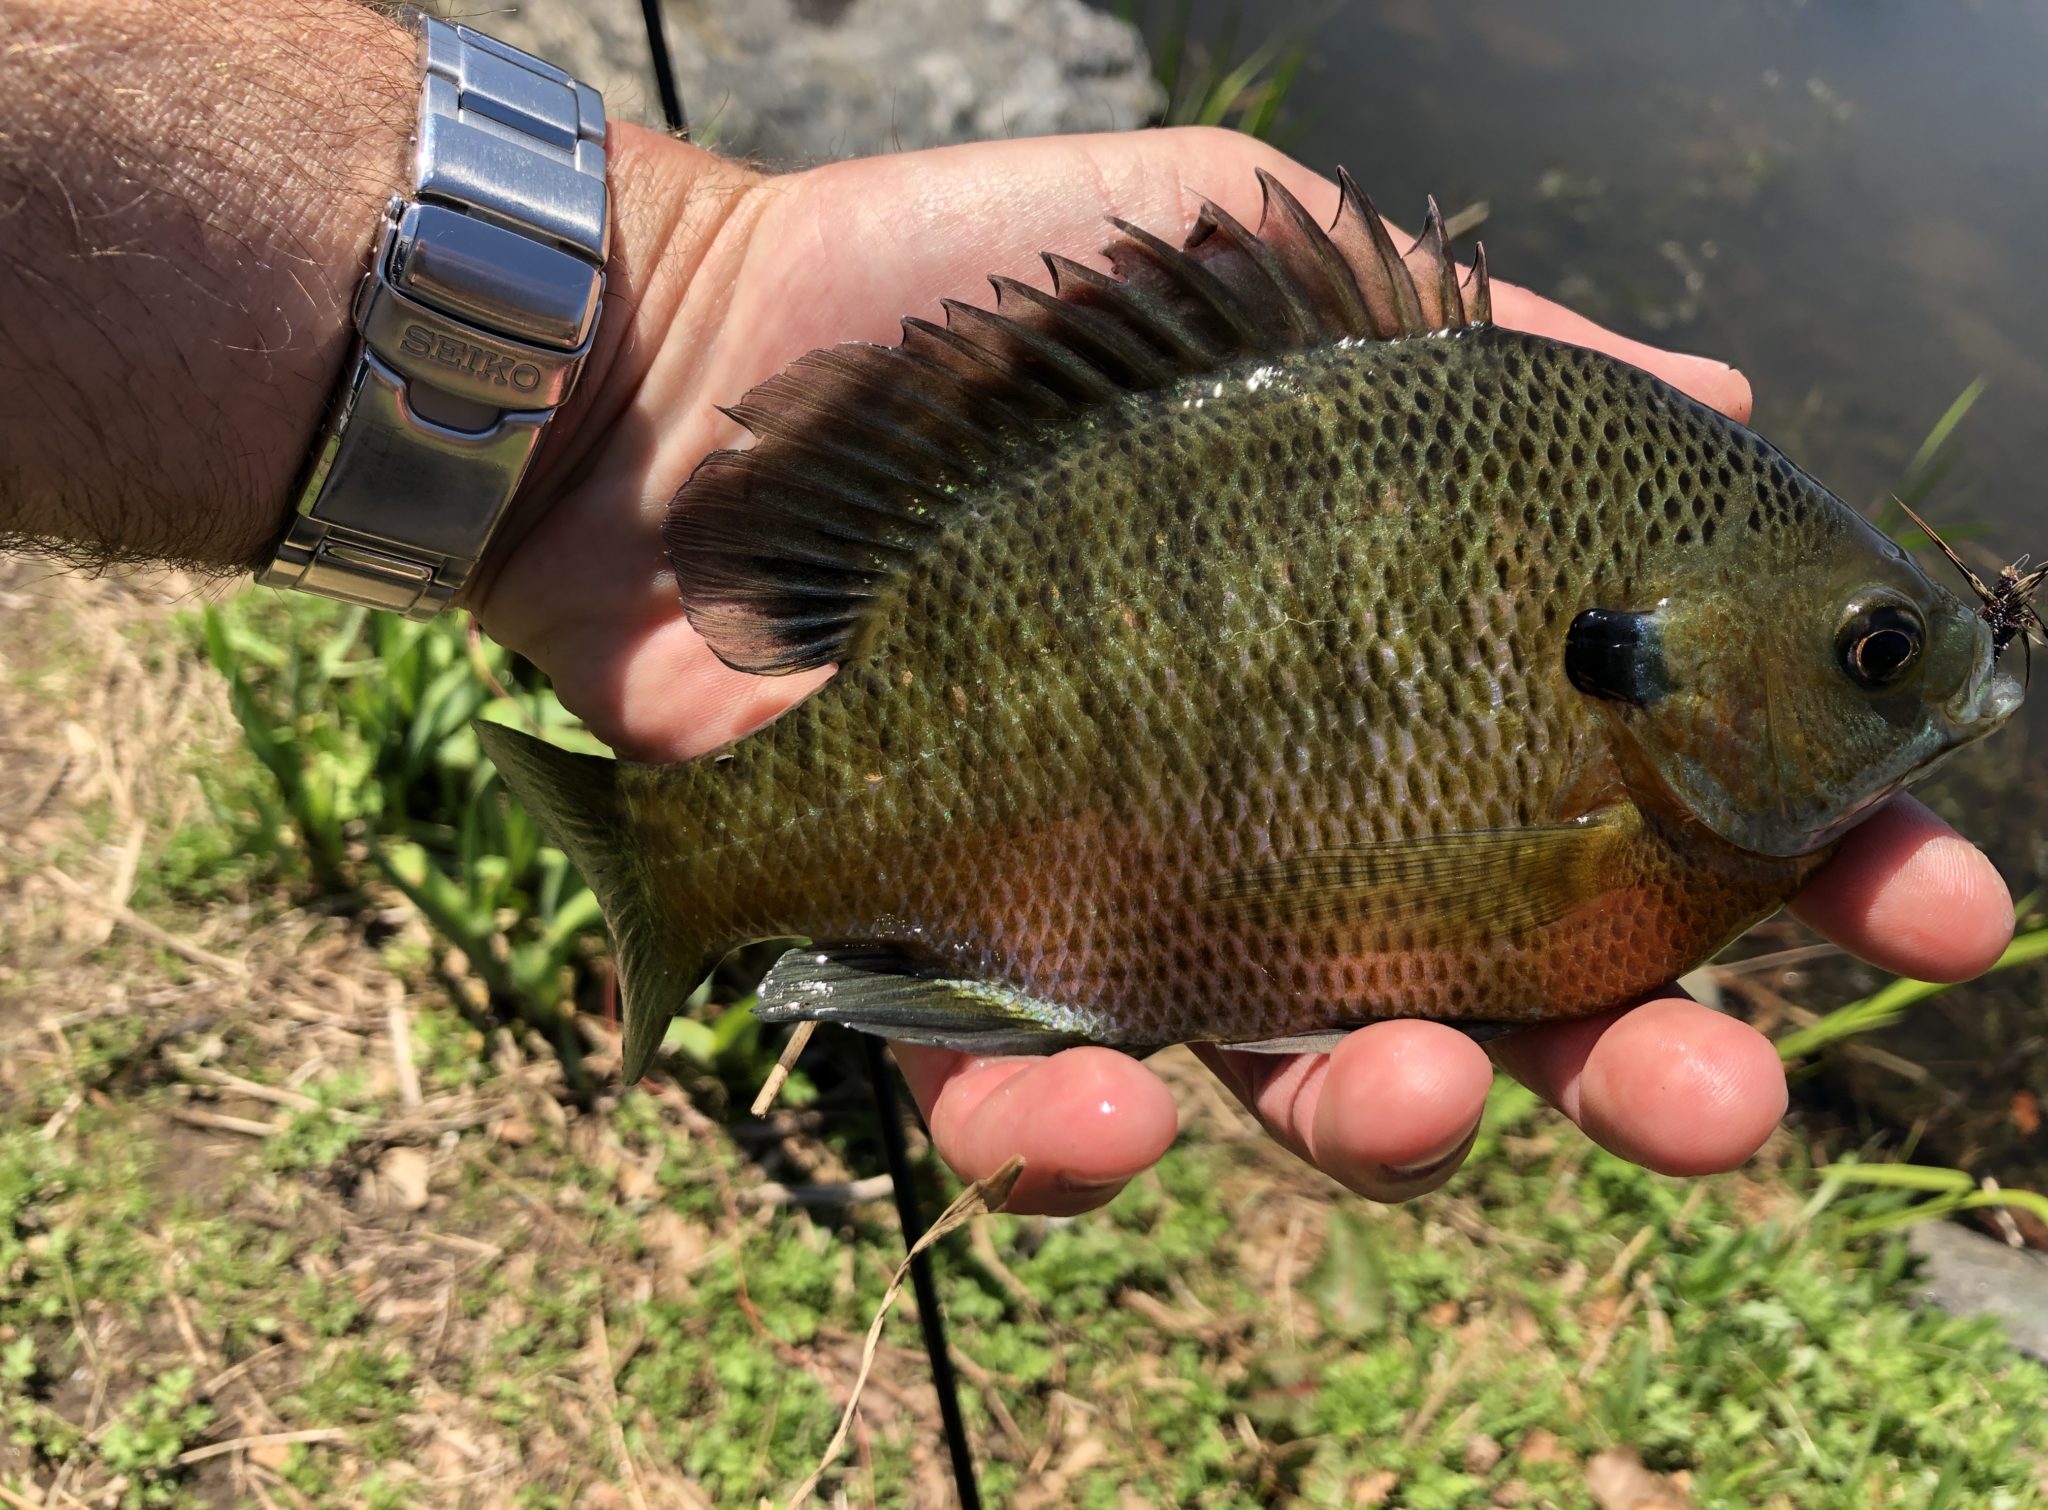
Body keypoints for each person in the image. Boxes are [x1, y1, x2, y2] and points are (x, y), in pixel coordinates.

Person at [2, 0, 2013, 1216]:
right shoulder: (1653, 817)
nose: (1900, 675)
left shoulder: (1665, 749)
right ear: (1673, 659)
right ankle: (683, 869)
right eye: (1867, 655)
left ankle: (689, 872)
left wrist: (625, 340)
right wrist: (633, 340)